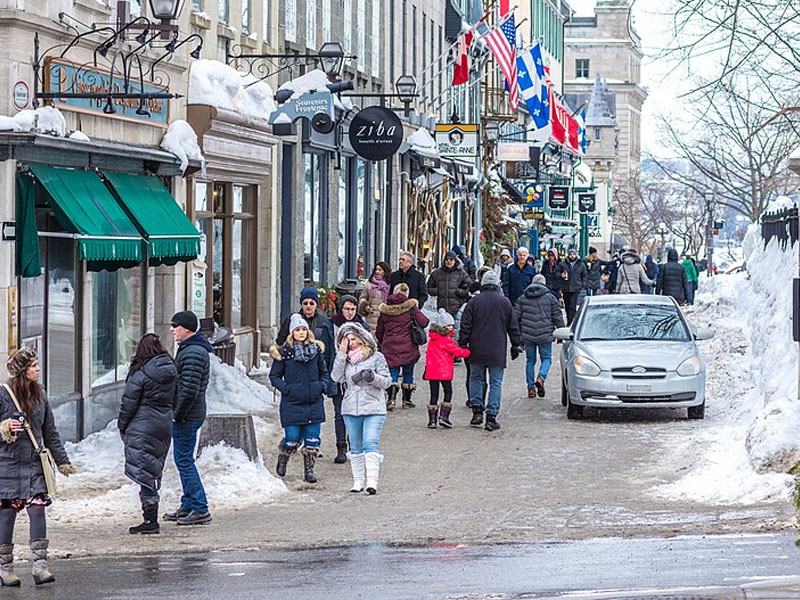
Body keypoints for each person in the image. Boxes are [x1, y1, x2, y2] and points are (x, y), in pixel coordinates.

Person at [0, 347, 73, 586]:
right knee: (7, 514)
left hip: (34, 464)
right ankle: (5, 568)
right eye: (33, 366)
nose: (38, 369)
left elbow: (49, 432)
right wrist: (5, 428)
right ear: (22, 371)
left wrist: (62, 461)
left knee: (38, 511)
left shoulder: (40, 394)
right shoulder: (3, 394)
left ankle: (40, 566)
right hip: (7, 466)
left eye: (37, 365)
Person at [119, 333, 178, 535]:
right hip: (163, 423)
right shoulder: (171, 370)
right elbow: (177, 397)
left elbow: (128, 403)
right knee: (153, 468)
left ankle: (150, 520)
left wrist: (123, 426)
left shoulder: (141, 373)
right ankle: (150, 517)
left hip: (143, 424)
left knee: (145, 473)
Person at [330, 323, 391, 494]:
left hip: (373, 407)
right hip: (351, 407)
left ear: (362, 338)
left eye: (354, 338)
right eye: (347, 340)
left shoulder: (376, 357)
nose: (352, 343)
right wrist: (341, 355)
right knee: (355, 445)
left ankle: (372, 482)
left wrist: (372, 377)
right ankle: (358, 481)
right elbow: (336, 377)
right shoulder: (345, 359)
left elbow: (386, 381)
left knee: (370, 442)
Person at [165, 310, 212, 526]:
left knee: (184, 460)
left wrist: (177, 414)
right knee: (182, 459)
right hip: (189, 413)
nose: (173, 329)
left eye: (176, 326)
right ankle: (189, 503)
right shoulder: (189, 349)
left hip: (188, 415)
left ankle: (200, 507)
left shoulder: (192, 352)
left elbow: (189, 390)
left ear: (187, 329)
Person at [458, 271, 522, 431]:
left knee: (476, 378)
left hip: (477, 347)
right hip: (497, 349)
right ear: (497, 284)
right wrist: (516, 344)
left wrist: (463, 343)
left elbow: (465, 325)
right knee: (496, 383)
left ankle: (477, 410)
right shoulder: (505, 302)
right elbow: (513, 326)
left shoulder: (474, 302)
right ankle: (491, 416)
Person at [269, 315, 328, 484]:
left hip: (313, 401)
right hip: (292, 402)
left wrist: (322, 386)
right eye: (297, 330)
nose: (301, 333)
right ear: (291, 333)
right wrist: (287, 389)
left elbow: (324, 372)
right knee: (292, 437)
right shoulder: (285, 354)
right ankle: (284, 455)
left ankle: (309, 470)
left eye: (303, 329)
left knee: (312, 439)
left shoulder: (316, 352)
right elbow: (274, 376)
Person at [375, 283, 430, 410]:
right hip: (408, 346)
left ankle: (391, 399)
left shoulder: (385, 310)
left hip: (390, 347)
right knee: (408, 373)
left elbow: (379, 331)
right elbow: (424, 322)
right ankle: (406, 400)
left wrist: (384, 341)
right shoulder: (411, 308)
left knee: (392, 373)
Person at [329, 296, 369, 464]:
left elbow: (370, 349)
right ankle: (341, 447)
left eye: (352, 309)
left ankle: (354, 445)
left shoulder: (362, 326)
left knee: (355, 412)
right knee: (339, 413)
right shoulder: (331, 325)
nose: (350, 312)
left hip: (356, 376)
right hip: (338, 374)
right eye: (346, 309)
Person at [513, 274, 565, 399]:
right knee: (546, 359)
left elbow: (515, 316)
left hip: (528, 334)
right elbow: (557, 316)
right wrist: (562, 331)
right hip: (545, 334)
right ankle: (541, 378)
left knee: (530, 361)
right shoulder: (550, 298)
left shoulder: (523, 298)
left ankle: (531, 388)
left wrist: (516, 334)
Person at [276, 287, 335, 393]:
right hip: (295, 368)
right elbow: (280, 342)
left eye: (311, 303)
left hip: (316, 368)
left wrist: (324, 383)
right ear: (301, 304)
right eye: (305, 303)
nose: (308, 306)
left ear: (316, 304)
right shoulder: (291, 319)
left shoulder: (324, 322)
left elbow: (329, 348)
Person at [423, 309, 471, 428]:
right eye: (448, 325)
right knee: (448, 391)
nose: (451, 327)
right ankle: (444, 417)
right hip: (444, 372)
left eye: (452, 325)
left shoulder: (432, 340)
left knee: (434, 394)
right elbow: (458, 352)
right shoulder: (446, 340)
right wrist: (468, 352)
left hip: (432, 371)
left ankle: (432, 420)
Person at [427, 250, 472, 324]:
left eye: (451, 259)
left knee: (454, 331)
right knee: (442, 332)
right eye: (447, 259)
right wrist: (439, 291)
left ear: (455, 260)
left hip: (456, 309)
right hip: (442, 309)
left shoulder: (461, 273)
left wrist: (459, 292)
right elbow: (428, 287)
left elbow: (470, 288)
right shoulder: (436, 273)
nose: (449, 261)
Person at [557, 248, 588, 325]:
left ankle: (572, 322)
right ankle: (569, 319)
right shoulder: (563, 264)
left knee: (572, 305)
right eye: (571, 254)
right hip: (566, 287)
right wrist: (561, 275)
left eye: (573, 254)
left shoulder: (581, 264)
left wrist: (582, 284)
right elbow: (556, 273)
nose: (572, 256)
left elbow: (584, 275)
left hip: (576, 287)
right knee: (567, 305)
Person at [358, 261, 392, 331]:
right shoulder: (369, 284)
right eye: (376, 269)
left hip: (385, 317)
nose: (377, 272)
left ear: (385, 271)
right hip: (371, 317)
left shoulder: (389, 284)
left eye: (380, 270)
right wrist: (365, 306)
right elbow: (363, 298)